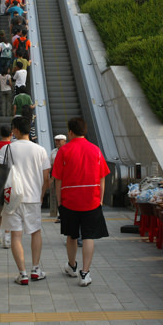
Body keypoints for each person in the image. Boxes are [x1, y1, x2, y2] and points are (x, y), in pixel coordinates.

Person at [0, 116, 50, 285]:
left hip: (12, 198)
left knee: (16, 235)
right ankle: (35, 269)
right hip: (33, 197)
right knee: (35, 232)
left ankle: (22, 273)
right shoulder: (40, 150)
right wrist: (42, 194)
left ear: (16, 130)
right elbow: (46, 177)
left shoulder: (7, 149)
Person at [54, 118, 110, 287]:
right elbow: (102, 177)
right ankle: (85, 273)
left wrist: (59, 202)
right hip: (91, 200)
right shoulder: (96, 150)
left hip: (70, 200)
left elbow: (58, 180)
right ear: (85, 131)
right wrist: (100, 199)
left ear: (70, 132)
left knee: (71, 235)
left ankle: (72, 266)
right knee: (88, 237)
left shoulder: (63, 151)